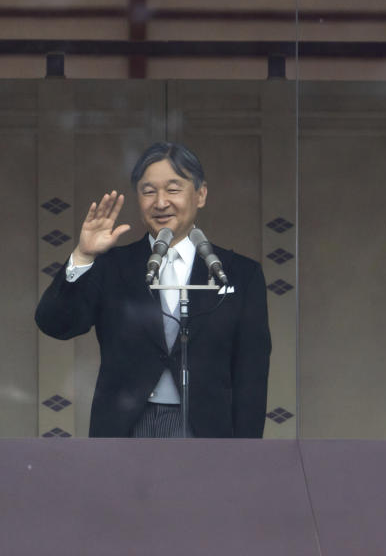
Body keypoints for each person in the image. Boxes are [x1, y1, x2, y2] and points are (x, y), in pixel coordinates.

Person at [35, 142, 271, 438]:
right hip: (126, 428)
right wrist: (83, 256)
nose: (160, 202)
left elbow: (252, 375)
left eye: (173, 189)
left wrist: (246, 455)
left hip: (207, 430)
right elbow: (54, 324)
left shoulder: (239, 274)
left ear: (200, 194)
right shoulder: (113, 267)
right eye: (148, 191)